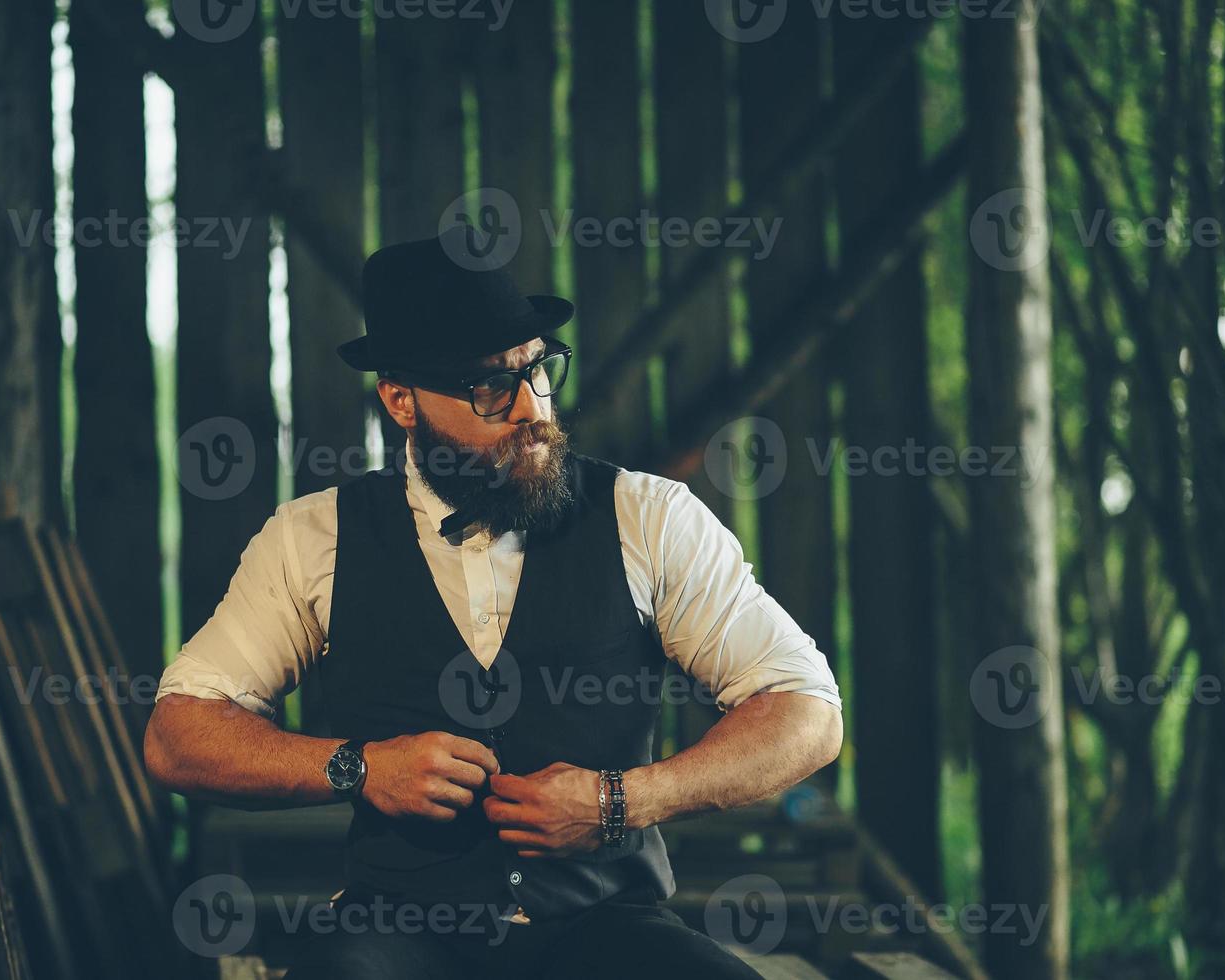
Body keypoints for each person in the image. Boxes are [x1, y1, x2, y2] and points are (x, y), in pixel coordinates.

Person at [145, 228, 844, 978]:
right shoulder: (312, 538)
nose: (532, 409)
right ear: (401, 399)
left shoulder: (649, 518)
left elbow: (806, 712)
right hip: (397, 935)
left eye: (539, 369)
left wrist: (621, 801)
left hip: (601, 926)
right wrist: (357, 768)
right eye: (489, 386)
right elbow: (178, 736)